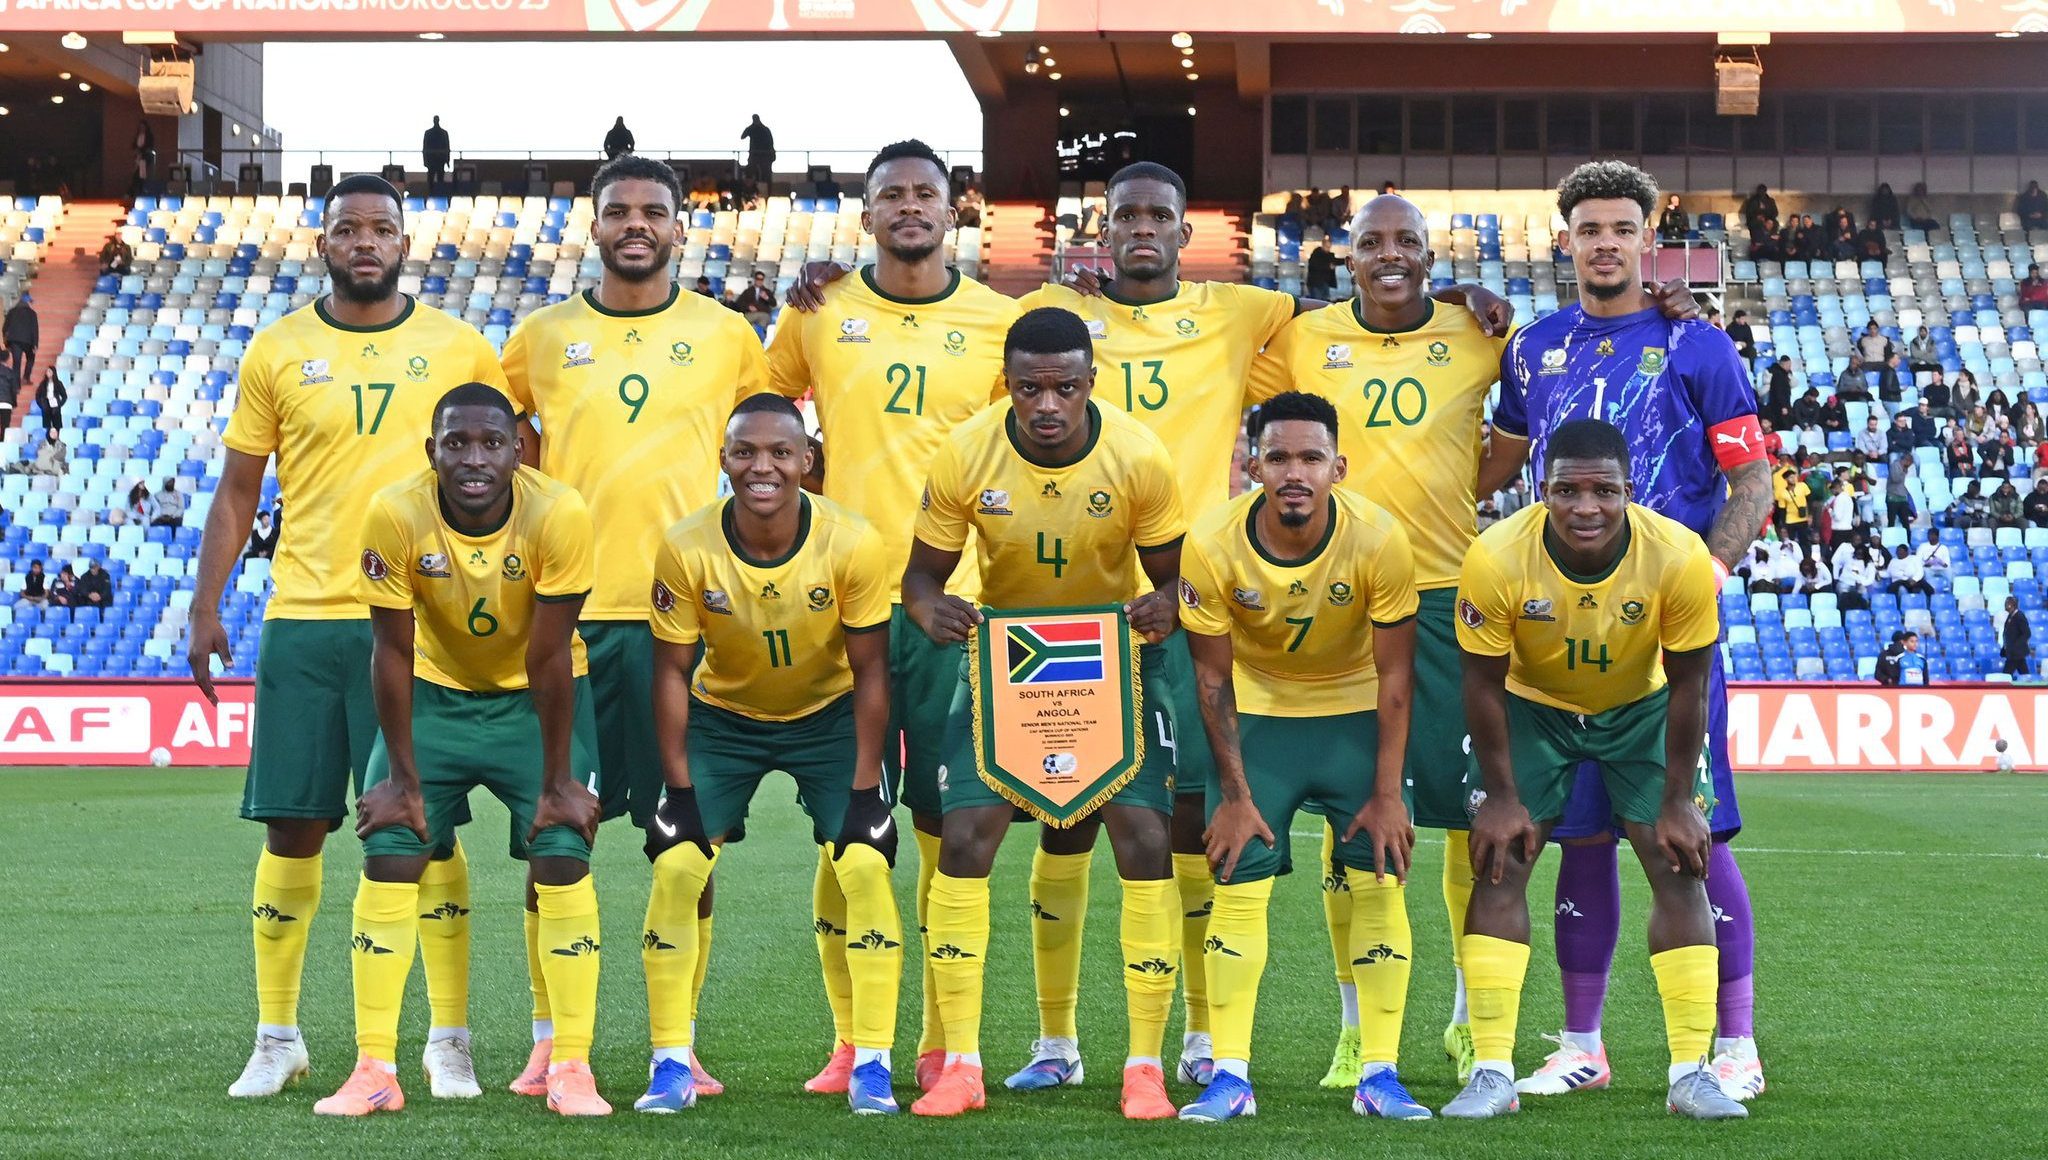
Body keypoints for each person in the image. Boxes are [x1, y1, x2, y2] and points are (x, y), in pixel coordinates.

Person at [188, 174, 510, 1101]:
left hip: (425, 628)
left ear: (405, 243)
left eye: (381, 228)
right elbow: (240, 491)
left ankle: (447, 1039)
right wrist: (208, 606)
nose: (364, 241)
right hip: (304, 619)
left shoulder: (457, 347)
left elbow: (492, 483)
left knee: (427, 830)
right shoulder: (280, 348)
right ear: (322, 242)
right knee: (294, 827)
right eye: (347, 228)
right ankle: (276, 1034)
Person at [1492, 161, 1772, 1103]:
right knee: (1580, 838)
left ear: (1647, 238)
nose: (1605, 243)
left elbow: (1753, 483)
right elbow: (1497, 457)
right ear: (1564, 239)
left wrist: (1711, 574)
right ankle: (1583, 1043)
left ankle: (1732, 1044)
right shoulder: (1531, 348)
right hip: (1558, 640)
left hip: (1666, 635)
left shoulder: (1698, 346)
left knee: (1693, 838)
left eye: (1622, 228)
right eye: (1589, 228)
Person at [499, 152, 769, 1100]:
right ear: (596, 226)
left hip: (684, 623)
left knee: (686, 843)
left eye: (655, 211)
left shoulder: (729, 335)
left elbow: (768, 447)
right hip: (568, 618)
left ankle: (677, 1039)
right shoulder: (541, 336)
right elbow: (501, 439)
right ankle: (547, 1037)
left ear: (680, 228)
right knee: (554, 835)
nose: (637, 225)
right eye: (620, 211)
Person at [767, 139, 1024, 1094]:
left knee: (941, 824)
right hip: (841, 600)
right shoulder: (821, 312)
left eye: (927, 194)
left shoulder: (1002, 324)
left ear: (956, 210)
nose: (910, 207)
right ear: (865, 215)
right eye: (890, 196)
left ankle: (938, 1040)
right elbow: (767, 432)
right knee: (848, 824)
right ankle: (852, 1038)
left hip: (959, 609)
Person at [901, 307, 1187, 1121]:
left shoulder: (1137, 454)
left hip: (1109, 659)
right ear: (1009, 386)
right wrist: (930, 611)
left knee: (1142, 837)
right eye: (1030, 389)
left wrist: (1161, 608)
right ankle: (960, 1063)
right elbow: (921, 579)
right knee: (963, 837)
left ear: (1093, 382)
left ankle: (1143, 1067)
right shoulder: (965, 452)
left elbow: (1177, 583)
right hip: (1005, 661)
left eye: (1065, 386)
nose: (1048, 404)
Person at [314, 383, 605, 1118]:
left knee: (563, 850)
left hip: (535, 700)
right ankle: (375, 1065)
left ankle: (570, 1064)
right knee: (390, 848)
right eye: (456, 443)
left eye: (491, 443)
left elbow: (547, 659)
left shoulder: (559, 512)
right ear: (431, 450)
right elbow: (389, 646)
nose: (474, 459)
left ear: (517, 450)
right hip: (435, 695)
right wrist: (403, 779)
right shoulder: (394, 512)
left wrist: (558, 778)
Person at [1442, 418, 1743, 1121]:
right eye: (1567, 490)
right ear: (1539, 490)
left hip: (1639, 708)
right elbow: (1481, 685)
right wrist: (1501, 796)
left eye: (1603, 490)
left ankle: (1690, 1074)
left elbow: (1690, 683)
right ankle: (1491, 1072)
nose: (1585, 507)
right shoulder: (1496, 557)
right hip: (1531, 706)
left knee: (1677, 863)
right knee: (1500, 859)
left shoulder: (1678, 556)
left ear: (1629, 492)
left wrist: (1678, 797)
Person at [640, 394, 900, 1114]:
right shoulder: (686, 545)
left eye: (781, 453)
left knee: (864, 862)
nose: (763, 467)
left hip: (830, 716)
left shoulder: (851, 541)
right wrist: (679, 791)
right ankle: (670, 1059)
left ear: (806, 462)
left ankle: (870, 1061)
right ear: (723, 460)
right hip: (724, 719)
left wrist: (863, 791)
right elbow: (668, 670)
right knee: (679, 861)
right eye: (746, 452)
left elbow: (874, 670)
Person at [1175, 391, 1425, 1123]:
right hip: (1259, 717)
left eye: (1310, 458)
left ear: (1337, 466)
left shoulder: (1379, 539)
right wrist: (1234, 791)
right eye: (1277, 456)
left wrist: (1385, 794)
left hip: (1352, 716)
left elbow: (1398, 679)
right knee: (1237, 879)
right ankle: (1230, 1076)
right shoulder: (1212, 541)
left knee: (1380, 880)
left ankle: (1380, 1074)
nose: (1294, 472)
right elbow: (1212, 679)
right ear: (1251, 464)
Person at [4, 294, 36, 383]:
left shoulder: (11, 312)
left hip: (14, 341)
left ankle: (16, 385)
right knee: (31, 357)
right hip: (28, 342)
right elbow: (34, 330)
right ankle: (26, 377)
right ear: (27, 302)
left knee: (16, 363)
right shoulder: (32, 313)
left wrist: (7, 343)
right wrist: (35, 345)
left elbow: (5, 328)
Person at [740, 114, 776, 187]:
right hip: (755, 155)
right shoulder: (754, 129)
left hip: (764, 155)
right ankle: (752, 189)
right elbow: (743, 136)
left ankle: (765, 190)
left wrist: (771, 154)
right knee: (751, 173)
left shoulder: (764, 129)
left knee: (765, 175)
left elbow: (770, 143)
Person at [2001, 596, 2032, 678]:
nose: (2005, 605)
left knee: (2006, 676)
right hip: (2014, 653)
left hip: (2016, 653)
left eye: (2007, 603)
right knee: (2024, 673)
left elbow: (2027, 633)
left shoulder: (2019, 616)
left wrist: (2015, 646)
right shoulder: (2010, 616)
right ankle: (2029, 686)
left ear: (2012, 605)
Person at [421, 116, 451, 193]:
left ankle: (436, 193)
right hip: (435, 159)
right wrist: (447, 160)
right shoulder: (443, 133)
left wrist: (447, 160)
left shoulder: (429, 133)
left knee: (436, 179)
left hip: (435, 159)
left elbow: (447, 147)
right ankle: (436, 193)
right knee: (434, 179)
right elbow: (425, 148)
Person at [35, 367, 66, 436]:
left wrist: (59, 404)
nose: (48, 373)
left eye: (50, 371)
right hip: (46, 406)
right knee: (46, 426)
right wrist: (42, 405)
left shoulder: (58, 383)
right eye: (47, 371)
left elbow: (64, 396)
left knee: (57, 426)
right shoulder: (43, 384)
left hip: (55, 406)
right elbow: (37, 396)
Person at [1763, 356, 1793, 427]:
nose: (1790, 367)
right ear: (1783, 364)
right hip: (1779, 407)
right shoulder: (1778, 375)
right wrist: (1783, 406)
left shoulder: (1783, 374)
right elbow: (1778, 392)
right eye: (1788, 365)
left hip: (1780, 405)